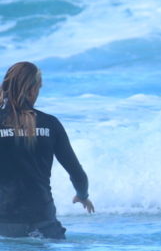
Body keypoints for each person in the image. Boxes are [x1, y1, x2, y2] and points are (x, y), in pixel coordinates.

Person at [0, 62, 93, 240]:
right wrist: (82, 195)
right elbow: (77, 174)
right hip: (42, 223)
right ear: (33, 90)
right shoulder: (50, 124)